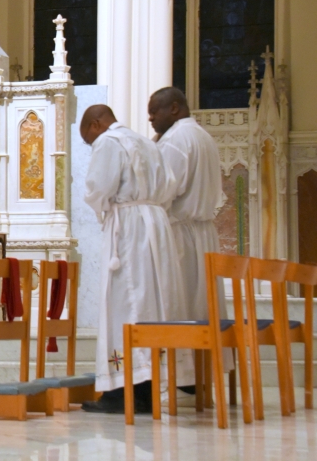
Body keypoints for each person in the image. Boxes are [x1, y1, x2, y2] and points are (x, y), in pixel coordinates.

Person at [79, 104, 186, 413]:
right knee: (152, 303)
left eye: (88, 139)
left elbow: (98, 188)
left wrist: (103, 207)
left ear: (97, 124)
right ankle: (147, 385)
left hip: (129, 228)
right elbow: (169, 186)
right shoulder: (146, 142)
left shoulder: (109, 142)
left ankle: (122, 390)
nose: (92, 145)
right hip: (155, 225)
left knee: (125, 304)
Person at [149, 87, 225, 396]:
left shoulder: (176, 141)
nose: (151, 118)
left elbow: (163, 190)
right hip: (203, 233)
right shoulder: (201, 136)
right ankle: (199, 374)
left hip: (180, 233)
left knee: (178, 305)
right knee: (200, 306)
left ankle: (182, 377)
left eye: (156, 112)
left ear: (175, 108)